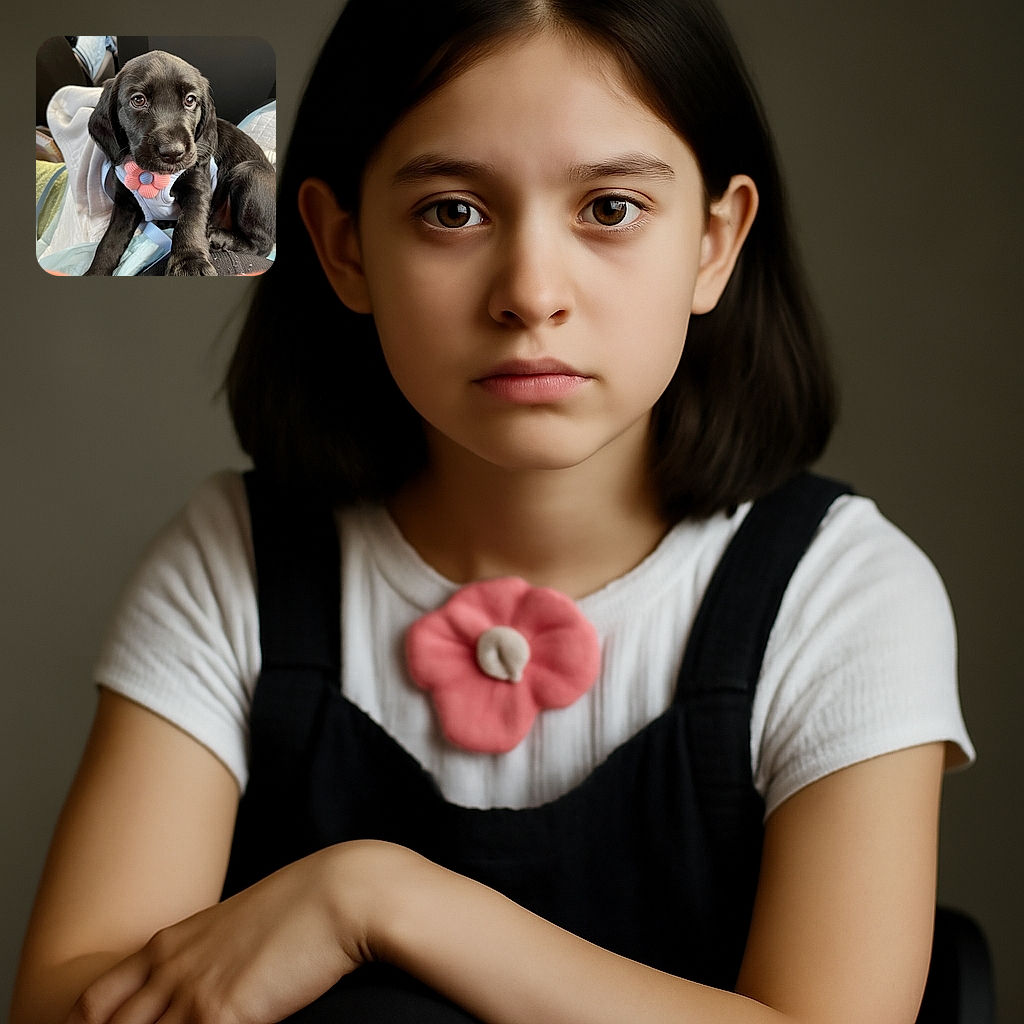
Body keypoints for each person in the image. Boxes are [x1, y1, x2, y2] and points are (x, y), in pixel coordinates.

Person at [12, 1, 975, 1022]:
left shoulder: (842, 591)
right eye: (452, 211)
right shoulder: (235, 562)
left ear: (713, 241)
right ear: (343, 248)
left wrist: (374, 898)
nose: (530, 292)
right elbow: (66, 1005)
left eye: (609, 207)